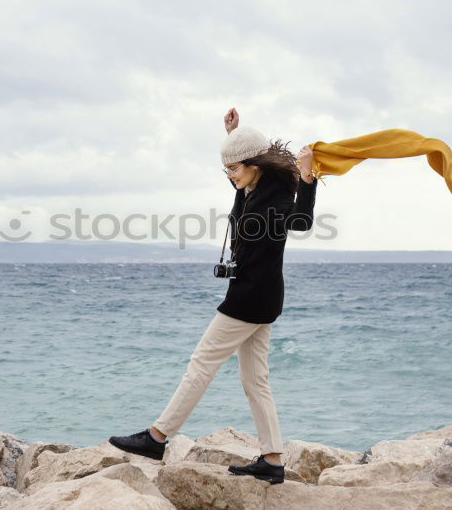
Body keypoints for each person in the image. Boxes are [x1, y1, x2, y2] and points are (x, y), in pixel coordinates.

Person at [108, 108, 318, 484]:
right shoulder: (252, 190)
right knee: (256, 381)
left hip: (250, 298)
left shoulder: (277, 199)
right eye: (227, 170)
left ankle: (157, 437)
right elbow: (241, 180)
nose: (230, 176)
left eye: (234, 169)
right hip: (259, 297)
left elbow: (302, 221)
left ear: (254, 166)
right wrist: (232, 135)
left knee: (201, 362)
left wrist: (308, 177)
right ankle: (272, 459)